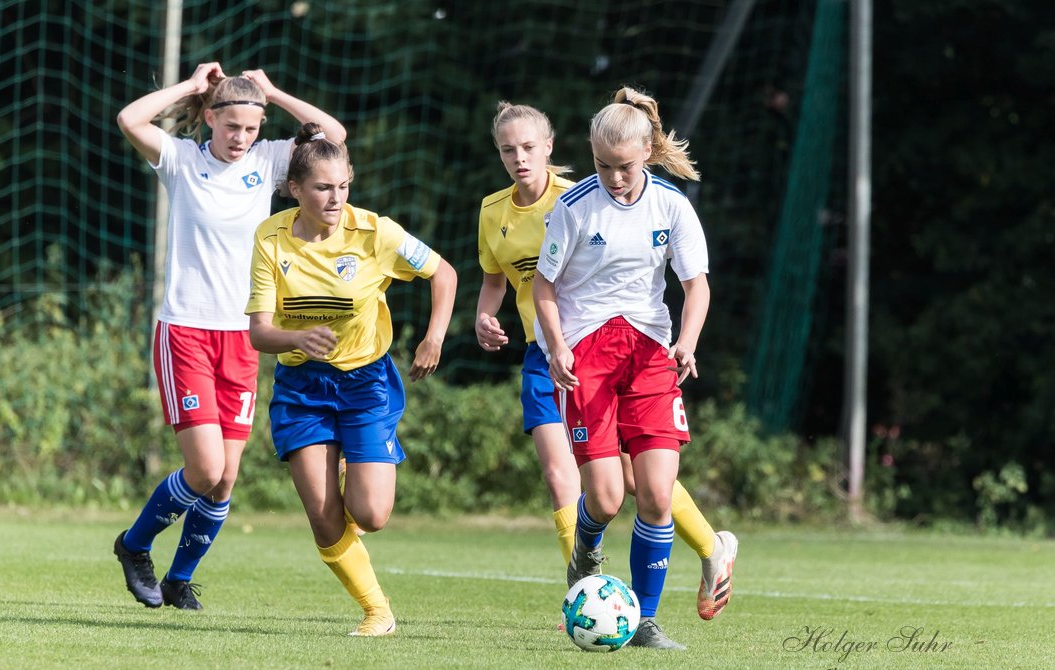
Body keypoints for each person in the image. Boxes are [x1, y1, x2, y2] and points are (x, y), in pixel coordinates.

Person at [476, 101, 737, 633]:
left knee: (659, 493)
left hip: (649, 355)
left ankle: (645, 621)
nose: (615, 178)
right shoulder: (572, 208)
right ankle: (587, 546)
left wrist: (687, 341)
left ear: (648, 152)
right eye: (602, 166)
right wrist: (558, 346)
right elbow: (543, 287)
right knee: (606, 497)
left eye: (625, 165)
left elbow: (696, 285)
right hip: (586, 356)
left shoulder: (672, 206)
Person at [113, 62, 346, 610]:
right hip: (186, 332)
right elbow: (129, 118)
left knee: (224, 483)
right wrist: (194, 87)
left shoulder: (268, 162)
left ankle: (178, 579)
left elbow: (332, 137)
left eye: (252, 126)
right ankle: (134, 545)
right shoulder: (180, 159)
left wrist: (273, 92)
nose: (242, 137)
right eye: (232, 126)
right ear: (211, 120)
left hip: (242, 336)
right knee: (205, 469)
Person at [246, 124, 457, 637]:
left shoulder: (376, 232)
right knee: (323, 516)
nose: (336, 197)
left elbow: (444, 273)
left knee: (372, 513)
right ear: (295, 189)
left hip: (367, 383)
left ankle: (353, 479)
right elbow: (259, 333)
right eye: (322, 187)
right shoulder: (270, 239)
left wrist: (433, 338)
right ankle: (377, 611)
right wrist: (296, 340)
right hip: (301, 390)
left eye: (343, 185)